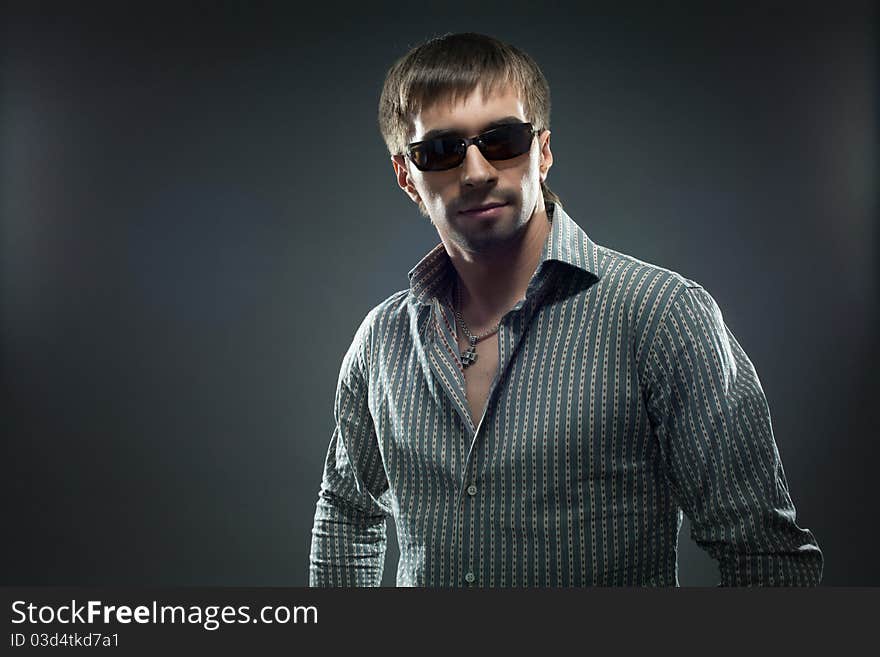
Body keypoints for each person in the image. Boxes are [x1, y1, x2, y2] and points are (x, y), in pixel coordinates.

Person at [308, 32, 823, 586]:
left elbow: (768, 559)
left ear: (543, 152)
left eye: (502, 140)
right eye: (441, 150)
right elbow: (346, 516)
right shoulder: (380, 340)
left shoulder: (661, 316)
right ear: (407, 176)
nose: (477, 172)